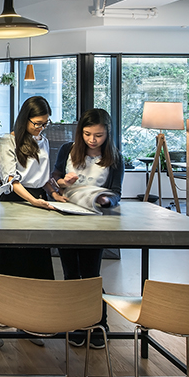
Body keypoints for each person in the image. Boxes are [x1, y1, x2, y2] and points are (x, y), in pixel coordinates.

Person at [0, 96, 58, 348]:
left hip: (38, 202)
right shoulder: (8, 141)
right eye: (37, 123)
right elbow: (12, 180)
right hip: (14, 202)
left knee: (35, 268)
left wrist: (55, 191)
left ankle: (28, 323)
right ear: (25, 120)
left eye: (45, 124)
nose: (41, 128)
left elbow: (42, 178)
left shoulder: (43, 141)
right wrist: (33, 201)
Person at [50, 108, 123, 349]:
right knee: (71, 274)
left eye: (99, 135)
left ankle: (99, 324)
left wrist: (106, 200)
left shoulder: (115, 157)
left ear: (108, 134)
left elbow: (117, 193)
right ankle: (76, 324)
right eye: (88, 134)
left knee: (91, 274)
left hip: (95, 220)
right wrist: (62, 182)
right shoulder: (67, 150)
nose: (92, 139)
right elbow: (54, 179)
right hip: (68, 216)